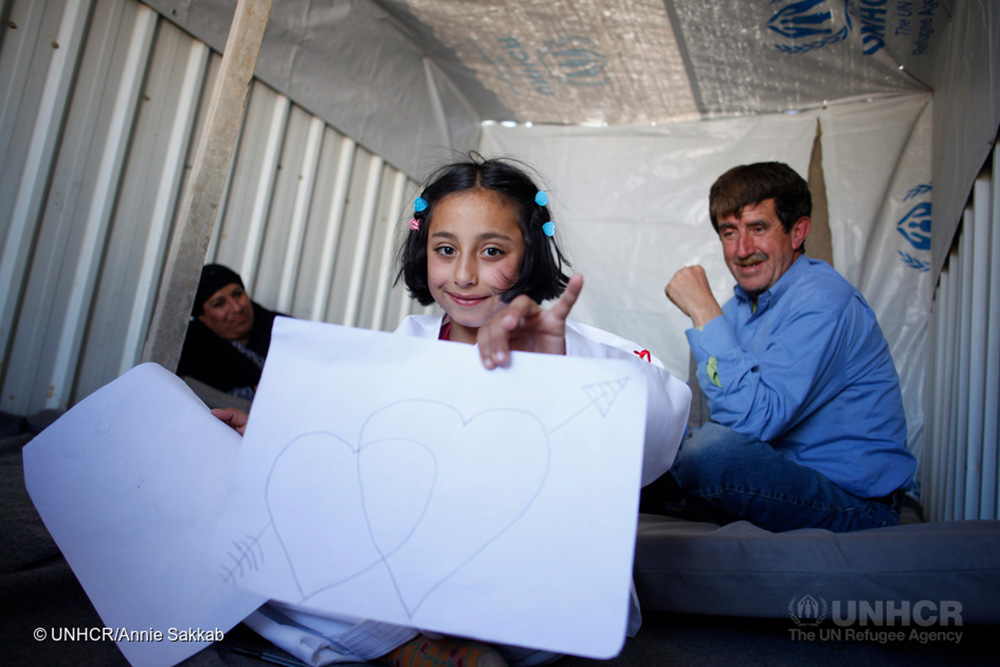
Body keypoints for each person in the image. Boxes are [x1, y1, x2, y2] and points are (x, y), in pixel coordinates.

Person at [215, 156, 692, 667]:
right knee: (252, 558)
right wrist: (269, 434)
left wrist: (556, 374)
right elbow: (352, 468)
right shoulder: (405, 345)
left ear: (529, 252)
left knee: (297, 597)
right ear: (425, 253)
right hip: (412, 570)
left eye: (491, 251)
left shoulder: (571, 342)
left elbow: (663, 433)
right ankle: (421, 646)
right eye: (445, 250)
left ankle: (402, 645)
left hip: (527, 590)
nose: (464, 275)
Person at [653, 161, 916, 533]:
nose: (742, 249)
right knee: (642, 452)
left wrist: (702, 310)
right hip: (781, 481)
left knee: (710, 454)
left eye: (758, 229)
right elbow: (703, 418)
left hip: (854, 504)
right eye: (729, 233)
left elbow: (750, 424)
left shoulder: (824, 300)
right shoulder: (734, 311)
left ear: (798, 232)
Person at [177, 264, 281, 401]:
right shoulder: (194, 355)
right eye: (219, 304)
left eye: (238, 294)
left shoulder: (280, 328)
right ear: (201, 316)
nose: (236, 308)